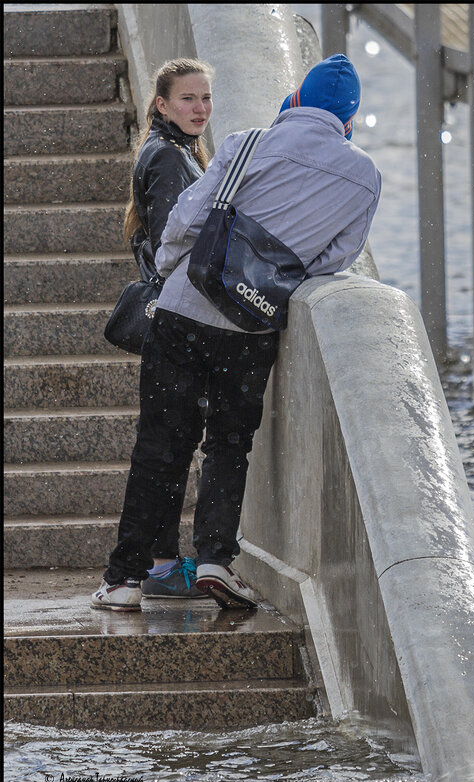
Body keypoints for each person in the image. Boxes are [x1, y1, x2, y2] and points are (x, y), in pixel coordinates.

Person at [91, 53, 381, 612]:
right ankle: (217, 559)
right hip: (251, 327)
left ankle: (125, 580)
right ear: (348, 118)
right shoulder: (364, 175)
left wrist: (175, 275)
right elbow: (336, 258)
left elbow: (185, 221)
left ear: (295, 100)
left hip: (184, 313)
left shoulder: (248, 143)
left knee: (160, 446)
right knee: (229, 443)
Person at [118, 57, 214, 600]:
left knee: (171, 446)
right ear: (161, 104)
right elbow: (170, 248)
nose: (199, 108)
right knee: (167, 449)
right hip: (176, 326)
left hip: (172, 325)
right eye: (187, 99)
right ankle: (152, 567)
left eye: (204, 99)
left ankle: (160, 563)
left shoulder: (171, 151)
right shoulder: (170, 159)